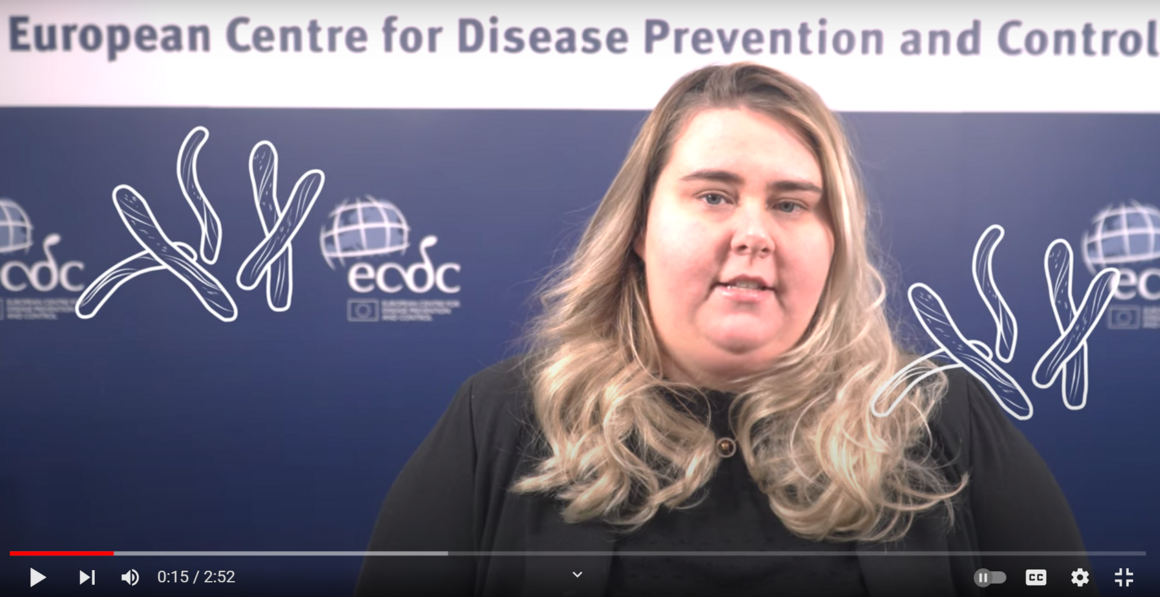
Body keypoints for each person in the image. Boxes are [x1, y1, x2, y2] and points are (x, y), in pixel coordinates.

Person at [353, 63, 1097, 597]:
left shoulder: (939, 415)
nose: (754, 234)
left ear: (835, 242)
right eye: (713, 195)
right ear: (639, 229)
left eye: (792, 204)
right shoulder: (502, 419)